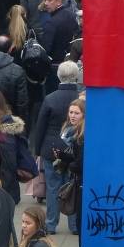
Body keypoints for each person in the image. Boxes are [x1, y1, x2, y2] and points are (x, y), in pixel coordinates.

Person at [30, 61, 82, 235]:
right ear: (76, 76)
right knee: (73, 186)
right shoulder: (82, 99)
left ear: (59, 76)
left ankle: (51, 224)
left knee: (52, 188)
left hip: (51, 149)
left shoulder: (50, 98)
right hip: (75, 149)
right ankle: (74, 225)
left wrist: (38, 151)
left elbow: (40, 127)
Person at [52, 99, 85, 238]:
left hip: (80, 179)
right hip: (73, 174)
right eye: (71, 112)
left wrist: (69, 161)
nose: (73, 115)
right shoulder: (68, 129)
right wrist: (62, 155)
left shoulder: (82, 135)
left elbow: (80, 162)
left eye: (77, 113)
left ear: (84, 115)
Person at [39, 0, 80, 66]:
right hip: (72, 60)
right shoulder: (71, 15)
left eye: (49, 0)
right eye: (45, 0)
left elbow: (46, 48)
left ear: (59, 2)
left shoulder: (51, 22)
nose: (46, 3)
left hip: (56, 64)